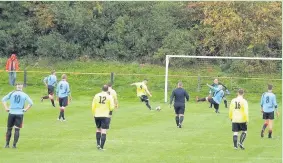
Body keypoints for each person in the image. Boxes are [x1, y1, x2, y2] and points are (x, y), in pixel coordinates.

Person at [2, 83, 33, 148]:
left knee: (9, 129)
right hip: (19, 113)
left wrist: (6, 108)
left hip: (11, 113)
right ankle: (14, 145)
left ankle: (7, 144)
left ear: (16, 87)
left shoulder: (12, 93)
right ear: (22, 87)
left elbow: (3, 100)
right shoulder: (24, 94)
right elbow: (31, 103)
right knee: (17, 129)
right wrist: (26, 109)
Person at [92, 85, 114, 150]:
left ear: (102, 89)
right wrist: (110, 111)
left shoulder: (96, 95)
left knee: (98, 129)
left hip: (97, 114)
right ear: (107, 90)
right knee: (104, 130)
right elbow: (112, 107)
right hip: (105, 115)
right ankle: (101, 147)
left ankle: (98, 144)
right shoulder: (109, 96)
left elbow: (93, 106)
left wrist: (94, 113)